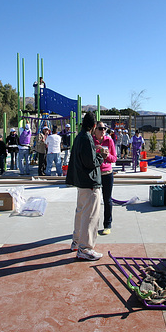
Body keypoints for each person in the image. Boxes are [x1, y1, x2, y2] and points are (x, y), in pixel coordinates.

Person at [65, 111, 104, 261]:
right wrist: (101, 156)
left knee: (81, 213)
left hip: (82, 183)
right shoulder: (86, 138)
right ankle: (85, 248)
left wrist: (95, 151)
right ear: (94, 126)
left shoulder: (79, 137)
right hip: (90, 184)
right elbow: (90, 163)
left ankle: (76, 242)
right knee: (90, 216)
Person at [93, 121, 117, 235]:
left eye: (104, 129)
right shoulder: (91, 140)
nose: (103, 131)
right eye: (100, 128)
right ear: (95, 129)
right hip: (95, 174)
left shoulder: (109, 140)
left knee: (107, 200)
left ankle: (107, 225)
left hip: (107, 173)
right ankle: (93, 226)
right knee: (94, 201)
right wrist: (96, 149)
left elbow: (114, 159)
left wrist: (107, 155)